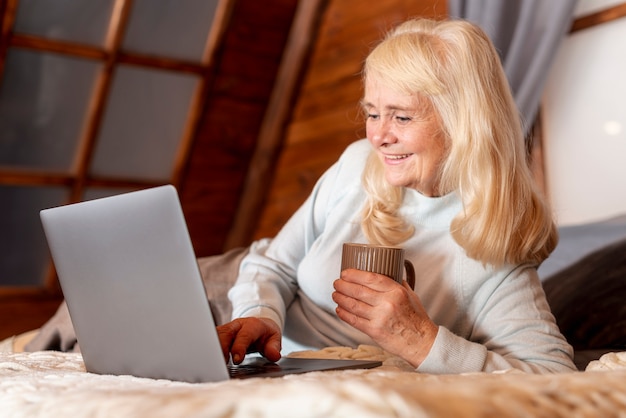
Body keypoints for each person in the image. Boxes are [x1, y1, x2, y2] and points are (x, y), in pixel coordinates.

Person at [217, 17, 576, 374]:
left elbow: (554, 376)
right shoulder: (357, 164)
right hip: (260, 347)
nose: (378, 137)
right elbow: (271, 265)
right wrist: (258, 315)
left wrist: (421, 341)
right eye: (373, 113)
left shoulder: (494, 251)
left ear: (465, 124)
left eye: (402, 118)